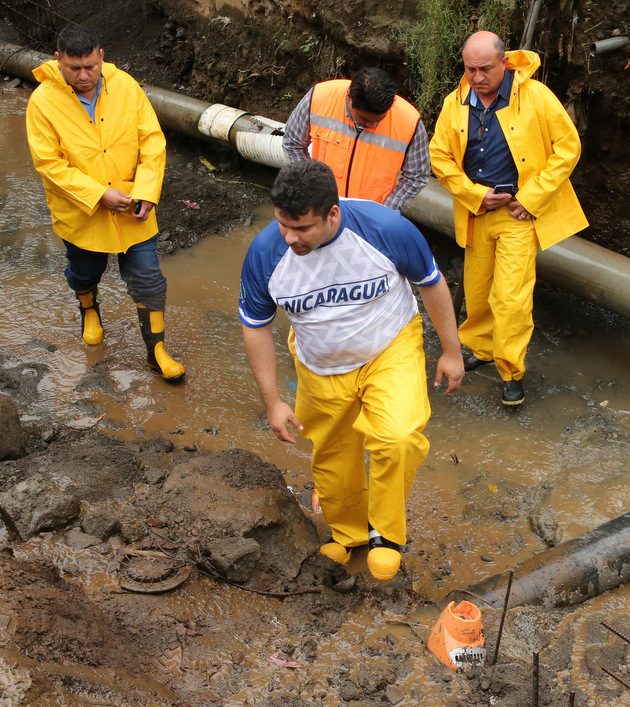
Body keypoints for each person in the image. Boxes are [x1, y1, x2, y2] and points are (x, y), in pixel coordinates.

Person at [238, 160, 464, 581]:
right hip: (320, 363)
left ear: (332, 214)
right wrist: (273, 401)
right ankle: (349, 533)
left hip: (389, 347)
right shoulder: (267, 252)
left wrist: (452, 351)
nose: (290, 238)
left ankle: (386, 534)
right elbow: (256, 326)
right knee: (333, 451)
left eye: (302, 228)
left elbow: (430, 282)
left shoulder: (385, 230)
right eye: (283, 224)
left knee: (398, 438)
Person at [429, 31, 588, 406]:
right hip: (478, 213)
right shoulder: (456, 102)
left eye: (485, 69)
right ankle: (480, 349)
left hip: (517, 215)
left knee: (511, 298)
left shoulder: (535, 96)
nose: (477, 77)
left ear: (504, 62)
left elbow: (568, 148)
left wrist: (531, 198)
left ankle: (511, 370)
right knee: (478, 291)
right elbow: (440, 156)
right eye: (470, 69)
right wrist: (475, 195)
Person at [25, 24, 185, 382]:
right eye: (74, 68)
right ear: (58, 60)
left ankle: (156, 351)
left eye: (90, 67)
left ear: (101, 56)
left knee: (148, 278)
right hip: (81, 212)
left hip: (131, 206)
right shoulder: (42, 103)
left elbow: (152, 141)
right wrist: (98, 195)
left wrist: (147, 190)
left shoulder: (125, 86)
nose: (84, 76)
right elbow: (49, 164)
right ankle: (89, 309)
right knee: (85, 271)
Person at [282, 67, 430, 211]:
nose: (372, 125)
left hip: (370, 216)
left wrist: (384, 211)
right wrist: (310, 188)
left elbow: (417, 176)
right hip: (322, 208)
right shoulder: (319, 98)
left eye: (379, 119)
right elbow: (292, 143)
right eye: (365, 119)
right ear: (348, 96)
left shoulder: (410, 122)